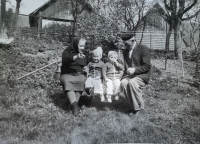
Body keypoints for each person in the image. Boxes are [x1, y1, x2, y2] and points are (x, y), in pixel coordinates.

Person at [120, 33, 151, 114]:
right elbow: (126, 67)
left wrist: (135, 70)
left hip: (142, 75)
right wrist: (122, 78)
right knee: (123, 83)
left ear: (133, 40)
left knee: (132, 83)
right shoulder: (125, 51)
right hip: (131, 75)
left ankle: (139, 108)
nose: (125, 45)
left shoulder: (143, 49)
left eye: (126, 43)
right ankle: (132, 107)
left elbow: (147, 66)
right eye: (124, 43)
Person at [60, 37, 88, 116]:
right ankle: (75, 106)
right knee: (67, 81)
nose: (82, 48)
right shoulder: (67, 52)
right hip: (67, 74)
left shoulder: (85, 54)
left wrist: (86, 68)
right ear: (75, 44)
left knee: (82, 80)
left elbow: (87, 64)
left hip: (79, 74)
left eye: (83, 46)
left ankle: (73, 104)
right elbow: (65, 60)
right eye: (80, 46)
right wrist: (76, 57)